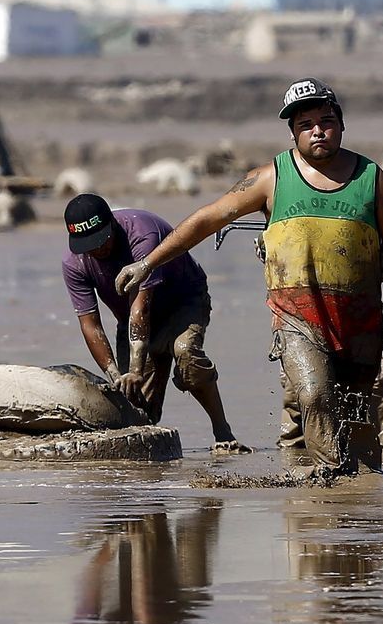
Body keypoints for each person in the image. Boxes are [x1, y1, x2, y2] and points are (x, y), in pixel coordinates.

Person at [118, 78, 383, 474]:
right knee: (315, 396)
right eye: (306, 124)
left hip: (359, 322)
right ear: (293, 132)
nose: (318, 130)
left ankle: (362, 510)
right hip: (298, 320)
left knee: (357, 418)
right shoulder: (271, 178)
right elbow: (209, 218)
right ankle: (330, 492)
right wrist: (148, 263)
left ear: (342, 125)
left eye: (327, 121)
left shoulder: (372, 178)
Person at [60, 193, 249, 454]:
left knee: (186, 354)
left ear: (112, 224)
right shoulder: (74, 263)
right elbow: (90, 324)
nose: (97, 250)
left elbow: (142, 304)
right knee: (133, 405)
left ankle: (222, 429)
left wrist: (136, 367)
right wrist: (116, 373)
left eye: (102, 241)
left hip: (183, 301)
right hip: (130, 319)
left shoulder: (141, 232)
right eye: (89, 245)